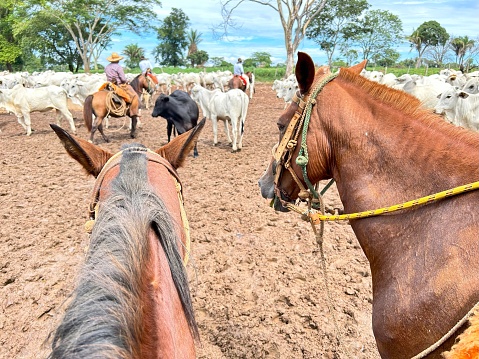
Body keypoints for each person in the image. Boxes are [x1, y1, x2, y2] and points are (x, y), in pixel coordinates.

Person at [102, 52, 139, 117]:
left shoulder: (107, 67)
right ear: (118, 60)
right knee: (134, 96)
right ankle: (133, 112)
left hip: (108, 85)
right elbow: (123, 79)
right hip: (118, 85)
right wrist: (126, 81)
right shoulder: (118, 67)